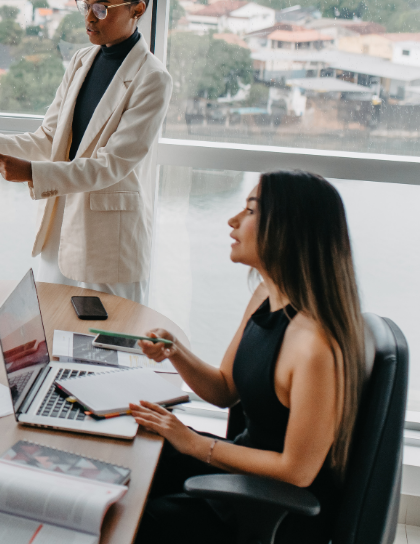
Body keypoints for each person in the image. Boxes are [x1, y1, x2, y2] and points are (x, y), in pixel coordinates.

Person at [129, 171, 368, 544]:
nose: (233, 220)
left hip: (273, 507)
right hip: (241, 465)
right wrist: (176, 351)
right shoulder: (264, 296)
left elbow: (297, 471)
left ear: (287, 229)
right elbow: (225, 389)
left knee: (135, 520)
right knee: (131, 459)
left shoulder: (316, 347)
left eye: (250, 210)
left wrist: (193, 443)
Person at [0, 0, 171, 303]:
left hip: (110, 244)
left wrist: (29, 172)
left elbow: (110, 166)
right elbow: (49, 138)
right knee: (52, 335)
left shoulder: (152, 78)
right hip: (60, 231)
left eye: (102, 8)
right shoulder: (81, 60)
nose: (89, 18)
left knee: (109, 350)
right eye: (86, 4)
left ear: (137, 9)